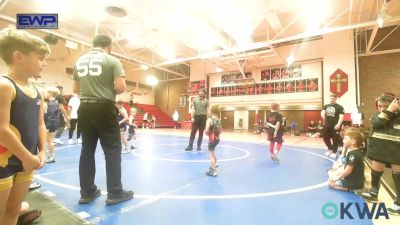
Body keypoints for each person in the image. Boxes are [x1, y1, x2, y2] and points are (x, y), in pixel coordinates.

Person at [73, 34, 133, 205]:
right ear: (109, 46)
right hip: (104, 107)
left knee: (87, 150)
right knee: (113, 150)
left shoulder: (79, 61)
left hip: (84, 107)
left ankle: (87, 192)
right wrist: (105, 92)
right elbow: (121, 87)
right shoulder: (112, 60)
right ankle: (115, 193)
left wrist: (91, 92)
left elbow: (75, 88)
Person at [0, 28, 48, 224]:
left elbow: (40, 124)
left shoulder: (38, 91)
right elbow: (1, 129)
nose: (44, 64)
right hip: (4, 162)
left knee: (13, 209)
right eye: (40, 58)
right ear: (18, 56)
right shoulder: (5, 86)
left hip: (26, 161)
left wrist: (42, 151)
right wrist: (27, 156)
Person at [357, 93, 400, 215]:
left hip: (396, 151)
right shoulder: (377, 115)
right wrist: (389, 112)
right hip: (379, 149)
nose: (382, 109)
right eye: (380, 106)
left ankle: (399, 203)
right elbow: (376, 124)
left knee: (397, 178)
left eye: (385, 106)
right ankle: (373, 194)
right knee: (375, 174)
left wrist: (393, 111)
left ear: (394, 104)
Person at [321, 94, 344, 158]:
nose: (331, 100)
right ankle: (330, 149)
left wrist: (338, 124)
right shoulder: (325, 106)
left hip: (335, 126)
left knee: (335, 139)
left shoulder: (339, 107)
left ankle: (334, 152)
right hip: (327, 125)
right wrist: (322, 114)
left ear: (336, 99)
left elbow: (341, 117)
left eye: (333, 99)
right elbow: (323, 112)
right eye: (330, 98)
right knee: (325, 138)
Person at [204, 105, 222, 177]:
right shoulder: (219, 119)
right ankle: (214, 164)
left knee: (211, 155)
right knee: (213, 151)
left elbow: (207, 130)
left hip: (212, 139)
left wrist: (205, 132)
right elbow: (220, 131)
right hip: (217, 139)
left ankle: (214, 171)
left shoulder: (209, 120)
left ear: (211, 111)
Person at [44, 87, 60, 163]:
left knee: (49, 141)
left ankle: (52, 156)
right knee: (48, 140)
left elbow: (52, 116)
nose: (45, 94)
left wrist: (48, 127)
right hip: (50, 124)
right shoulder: (51, 102)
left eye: (46, 92)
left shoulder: (52, 103)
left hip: (50, 125)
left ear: (50, 93)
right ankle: (50, 155)